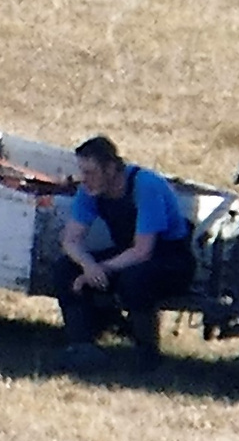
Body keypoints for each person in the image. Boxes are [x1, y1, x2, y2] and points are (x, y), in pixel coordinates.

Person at [55, 136, 196, 373]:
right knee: (64, 269)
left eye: (90, 172)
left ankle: (147, 355)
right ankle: (82, 347)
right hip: (128, 254)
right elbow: (69, 240)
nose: (85, 180)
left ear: (110, 168)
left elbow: (143, 251)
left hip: (171, 260)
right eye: (82, 172)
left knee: (135, 280)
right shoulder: (90, 191)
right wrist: (89, 266)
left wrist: (104, 269)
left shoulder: (145, 186)